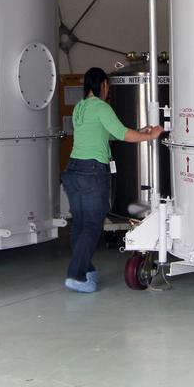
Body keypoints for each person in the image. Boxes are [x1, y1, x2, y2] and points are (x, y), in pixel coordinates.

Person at [63, 67, 162, 293]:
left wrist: (139, 129)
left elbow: (106, 133)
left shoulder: (80, 108)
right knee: (92, 224)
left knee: (79, 224)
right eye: (108, 85)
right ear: (103, 85)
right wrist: (150, 135)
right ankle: (76, 275)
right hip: (92, 171)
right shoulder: (101, 106)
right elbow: (123, 135)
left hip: (73, 170)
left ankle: (85, 268)